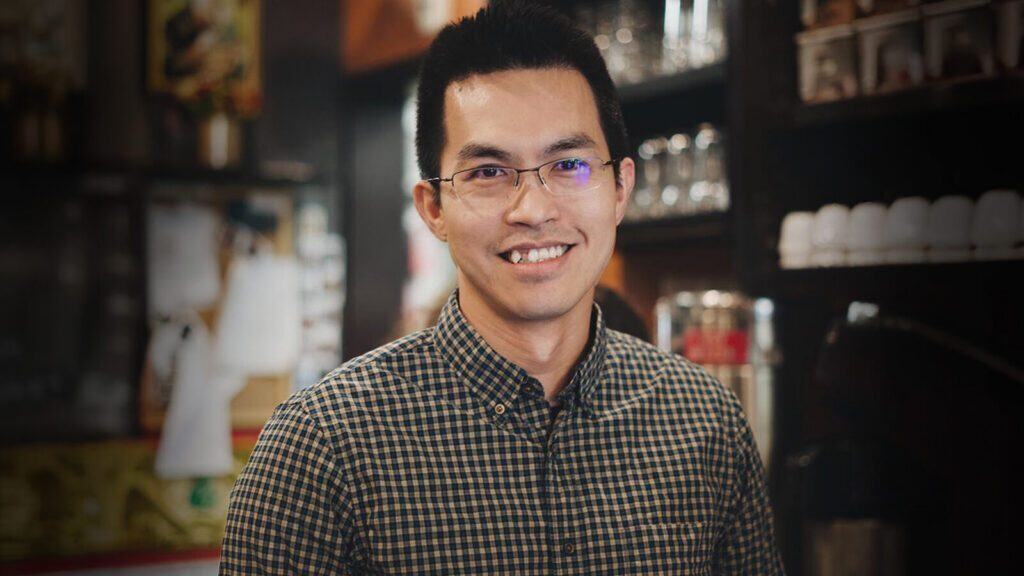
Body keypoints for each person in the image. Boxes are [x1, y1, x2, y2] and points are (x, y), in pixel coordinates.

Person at [219, 2, 785, 573]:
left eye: (569, 165)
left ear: (620, 188)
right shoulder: (320, 447)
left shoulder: (704, 422)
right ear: (433, 207)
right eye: (488, 172)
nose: (533, 210)